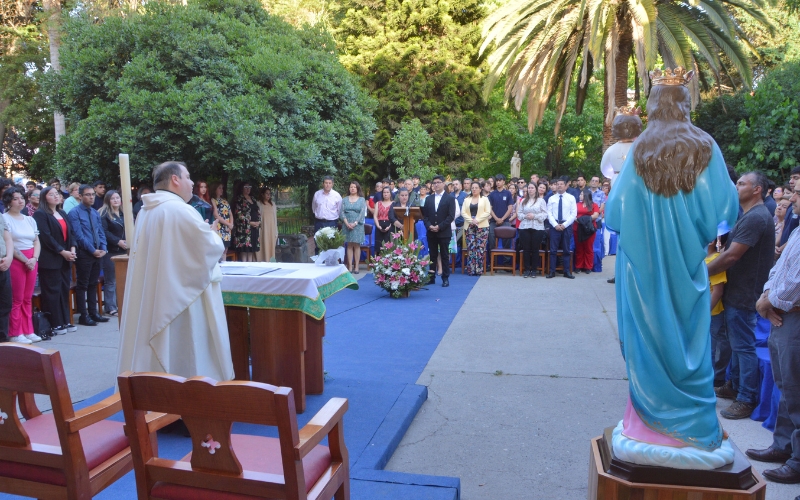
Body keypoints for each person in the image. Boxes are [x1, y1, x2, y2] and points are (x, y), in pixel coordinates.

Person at [604, 69, 739, 465]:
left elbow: (615, 213)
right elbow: (726, 208)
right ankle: (693, 423)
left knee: (649, 335)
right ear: (685, 103)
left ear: (652, 105)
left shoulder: (642, 146)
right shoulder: (706, 145)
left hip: (643, 266)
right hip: (687, 263)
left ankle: (649, 423)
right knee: (689, 337)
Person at [116, 161, 233, 382]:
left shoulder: (146, 211)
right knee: (186, 350)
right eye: (188, 177)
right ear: (175, 180)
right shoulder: (180, 210)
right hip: (181, 302)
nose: (191, 183)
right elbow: (211, 248)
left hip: (156, 295)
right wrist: (213, 234)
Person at [708, 172, 776, 420]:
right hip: (736, 289)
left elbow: (731, 256)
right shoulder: (749, 215)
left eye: (741, 183)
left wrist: (700, 272)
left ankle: (746, 397)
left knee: (743, 346)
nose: (736, 187)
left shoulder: (756, 217)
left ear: (757, 189)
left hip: (745, 292)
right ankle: (735, 386)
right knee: (735, 343)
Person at [749, 180, 800, 484]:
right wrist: (766, 299)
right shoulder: (796, 229)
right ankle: (782, 446)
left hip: (791, 316)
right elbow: (779, 270)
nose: (793, 197)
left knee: (796, 391)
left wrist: (769, 302)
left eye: (798, 192)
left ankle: (796, 459)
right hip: (781, 314)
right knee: (785, 386)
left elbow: (795, 282)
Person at [33, 186, 77, 336]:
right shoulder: (41, 214)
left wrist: (72, 249)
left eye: (57, 194)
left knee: (64, 289)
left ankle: (65, 320)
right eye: (51, 194)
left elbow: (70, 232)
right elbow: (46, 237)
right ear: (45, 198)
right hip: (50, 259)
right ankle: (55, 323)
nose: (56, 196)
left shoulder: (62, 212)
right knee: (52, 291)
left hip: (65, 258)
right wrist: (61, 251)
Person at [3, 187, 42, 344]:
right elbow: (9, 242)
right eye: (15, 199)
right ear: (8, 202)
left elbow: (36, 241)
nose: (20, 201)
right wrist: (25, 260)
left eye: (21, 198)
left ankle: (29, 330)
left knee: (27, 297)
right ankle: (15, 332)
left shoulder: (29, 219)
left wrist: (34, 258)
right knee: (17, 299)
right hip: (17, 260)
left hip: (32, 259)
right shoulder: (5, 218)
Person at [67, 184, 109, 326]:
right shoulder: (74, 213)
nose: (91, 197)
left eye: (92, 194)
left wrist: (103, 247)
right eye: (87, 195)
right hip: (85, 253)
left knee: (93, 283)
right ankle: (83, 315)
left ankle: (93, 312)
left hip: (97, 252)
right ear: (80, 196)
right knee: (83, 284)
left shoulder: (95, 212)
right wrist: (92, 250)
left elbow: (100, 231)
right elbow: (79, 236)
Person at [422, 175, 456, 287]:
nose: (436, 184)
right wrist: (429, 226)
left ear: (443, 184)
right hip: (431, 231)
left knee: (445, 255)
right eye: (434, 183)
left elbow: (451, 216)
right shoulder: (429, 198)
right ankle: (431, 277)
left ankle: (445, 278)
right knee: (432, 254)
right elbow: (425, 216)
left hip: (444, 231)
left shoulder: (450, 198)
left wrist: (440, 226)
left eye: (438, 182)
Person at [99, 190, 127, 317]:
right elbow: (104, 231)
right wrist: (117, 241)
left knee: (122, 279)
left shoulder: (123, 213)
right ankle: (110, 307)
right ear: (108, 200)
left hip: (123, 250)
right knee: (111, 280)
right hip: (111, 250)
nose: (116, 200)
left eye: (117, 198)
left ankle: (121, 304)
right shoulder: (104, 214)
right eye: (113, 198)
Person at [705, 237, 728, 388]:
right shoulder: (702, 259)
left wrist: (705, 312)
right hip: (703, 313)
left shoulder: (716, 260)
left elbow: (718, 291)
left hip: (712, 313)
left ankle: (711, 382)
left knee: (710, 349)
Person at [545, 179, 576, 279]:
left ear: (566, 185)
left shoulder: (571, 198)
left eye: (561, 184)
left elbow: (573, 214)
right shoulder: (551, 198)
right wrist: (555, 225)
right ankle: (552, 271)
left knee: (566, 249)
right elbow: (549, 213)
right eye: (557, 184)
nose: (559, 186)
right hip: (554, 226)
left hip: (566, 226)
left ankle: (566, 271)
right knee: (553, 250)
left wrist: (565, 225)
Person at [517, 182, 547, 278]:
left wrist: (535, 216)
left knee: (535, 249)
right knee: (526, 249)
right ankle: (526, 269)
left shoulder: (541, 201)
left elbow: (545, 214)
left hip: (537, 227)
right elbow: (519, 214)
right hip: (525, 227)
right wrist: (525, 216)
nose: (530, 189)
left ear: (536, 189)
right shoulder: (523, 201)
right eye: (529, 188)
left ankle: (534, 270)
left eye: (532, 188)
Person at [462, 181, 491, 276]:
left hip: (482, 226)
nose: (474, 189)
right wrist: (471, 220)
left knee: (480, 248)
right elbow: (463, 212)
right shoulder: (467, 199)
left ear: (480, 189)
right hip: (469, 226)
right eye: (472, 188)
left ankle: (479, 269)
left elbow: (487, 212)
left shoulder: (485, 199)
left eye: (476, 188)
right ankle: (471, 269)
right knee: (471, 248)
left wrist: (477, 220)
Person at [340, 181, 366, 273]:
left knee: (356, 245)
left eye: (354, 187)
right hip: (346, 224)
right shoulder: (344, 199)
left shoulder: (362, 199)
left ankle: (357, 266)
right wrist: (347, 223)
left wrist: (355, 223)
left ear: (357, 188)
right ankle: (349, 266)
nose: (352, 188)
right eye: (351, 187)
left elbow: (362, 213)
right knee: (349, 245)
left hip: (357, 225)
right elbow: (341, 212)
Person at [231, 182, 260, 262]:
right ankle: (244, 265)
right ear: (242, 188)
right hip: (243, 228)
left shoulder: (253, 199)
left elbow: (257, 211)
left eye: (249, 187)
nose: (248, 189)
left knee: (251, 249)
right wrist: (249, 222)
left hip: (254, 227)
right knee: (244, 249)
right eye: (246, 187)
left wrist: (258, 222)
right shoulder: (239, 199)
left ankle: (250, 265)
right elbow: (239, 214)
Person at [573, 188, 600, 274]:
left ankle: (588, 266)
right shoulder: (576, 205)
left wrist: (584, 220)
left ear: (586, 195)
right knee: (579, 248)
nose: (579, 196)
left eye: (581, 194)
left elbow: (595, 215)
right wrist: (579, 220)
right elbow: (573, 215)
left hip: (589, 229)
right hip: (577, 228)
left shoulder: (594, 205)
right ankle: (579, 266)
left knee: (588, 248)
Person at [488, 174, 513, 252]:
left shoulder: (508, 193)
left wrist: (502, 219)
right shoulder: (492, 194)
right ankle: (492, 261)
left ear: (504, 182)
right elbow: (490, 208)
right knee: (491, 239)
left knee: (507, 240)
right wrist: (496, 219)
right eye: (497, 181)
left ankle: (506, 262)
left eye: (500, 180)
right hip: (493, 221)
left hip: (505, 221)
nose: (498, 182)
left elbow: (510, 208)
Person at [312, 176, 342, 240]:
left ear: (332, 184)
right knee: (318, 242)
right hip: (319, 222)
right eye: (326, 183)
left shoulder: (336, 195)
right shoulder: (317, 194)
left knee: (331, 243)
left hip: (332, 223)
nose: (327, 185)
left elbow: (340, 209)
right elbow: (314, 208)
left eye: (329, 183)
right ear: (323, 184)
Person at [210, 183, 234, 261]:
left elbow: (230, 214)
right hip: (219, 228)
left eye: (222, 188)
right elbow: (216, 215)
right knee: (219, 250)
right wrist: (228, 224)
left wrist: (231, 225)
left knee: (225, 251)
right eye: (219, 188)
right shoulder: (213, 200)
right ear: (215, 189)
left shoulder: (225, 201)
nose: (221, 190)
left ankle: (224, 267)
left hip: (227, 229)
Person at [0, 204, 13, 343]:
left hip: (4, 263)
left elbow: (7, 238)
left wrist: (9, 257)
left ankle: (3, 341)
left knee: (5, 304)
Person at [255, 187, 278, 263]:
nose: (268, 195)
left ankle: (271, 262)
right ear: (262, 194)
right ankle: (262, 261)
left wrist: (275, 230)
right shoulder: (259, 204)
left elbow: (275, 218)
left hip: (271, 229)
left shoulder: (273, 204)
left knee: (271, 246)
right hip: (263, 229)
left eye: (269, 194)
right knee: (263, 245)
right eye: (267, 193)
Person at [372, 186, 394, 255]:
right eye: (384, 192)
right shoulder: (378, 203)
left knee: (389, 247)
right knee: (379, 247)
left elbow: (394, 217)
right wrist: (378, 226)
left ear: (390, 194)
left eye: (387, 192)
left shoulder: (394, 203)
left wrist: (390, 226)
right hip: (379, 225)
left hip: (390, 225)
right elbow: (375, 216)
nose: (386, 194)